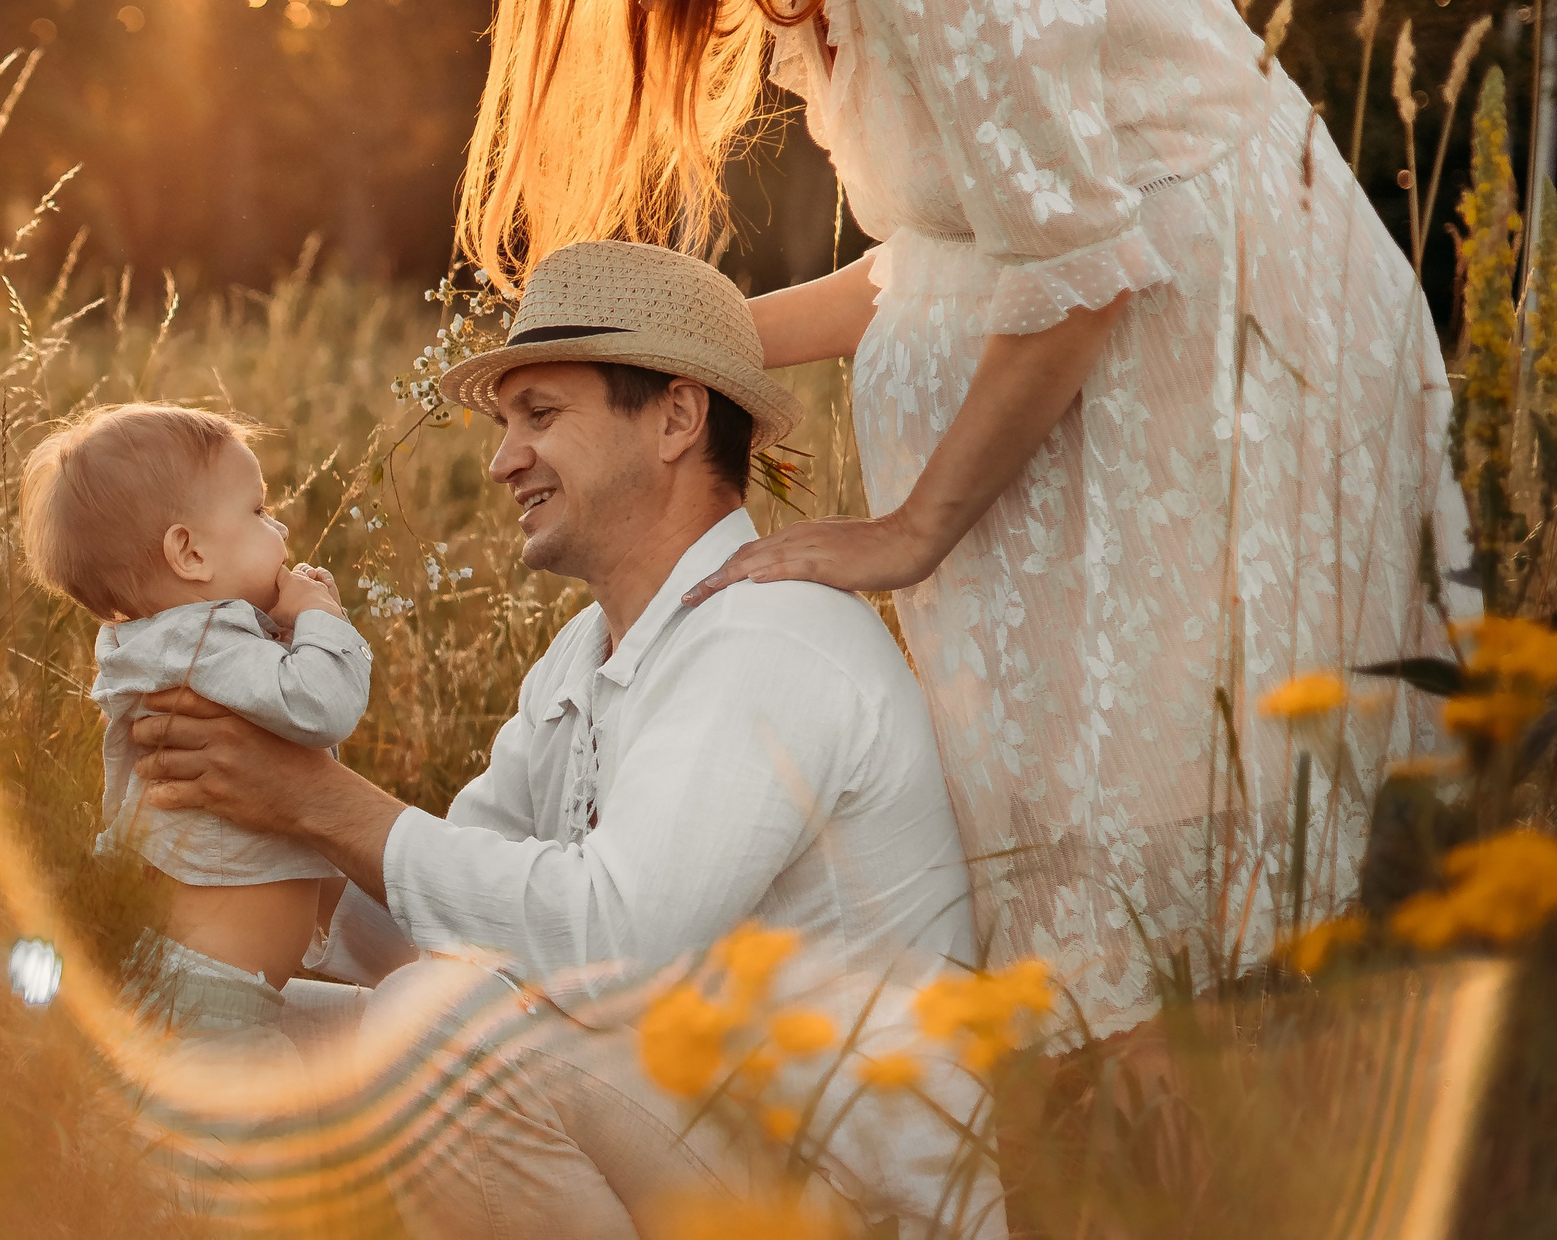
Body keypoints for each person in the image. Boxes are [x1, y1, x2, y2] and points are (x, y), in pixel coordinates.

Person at [403, 0, 1470, 1032]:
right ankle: (1154, 1120)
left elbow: (1080, 269)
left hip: (1224, 381)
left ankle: (1246, 1114)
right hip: (1109, 399)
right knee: (1109, 883)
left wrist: (909, 533)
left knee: (1195, 845)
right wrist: (657, 358)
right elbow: (945, 264)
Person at [132, 242, 987, 1235]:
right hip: (685, 1123)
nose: (501, 461)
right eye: (505, 425)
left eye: (539, 415)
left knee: (437, 1033)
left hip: (844, 1189)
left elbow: (609, 941)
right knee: (171, 1034)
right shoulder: (585, 652)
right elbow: (446, 916)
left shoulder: (769, 635)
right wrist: (253, 812)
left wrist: (319, 800)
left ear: (676, 417)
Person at [20, 402, 371, 1035]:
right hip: (209, 1005)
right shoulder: (202, 642)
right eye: (259, 511)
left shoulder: (185, 645)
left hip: (202, 988)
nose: (280, 529)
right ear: (189, 552)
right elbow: (322, 705)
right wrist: (323, 620)